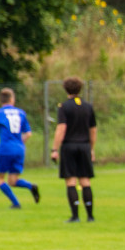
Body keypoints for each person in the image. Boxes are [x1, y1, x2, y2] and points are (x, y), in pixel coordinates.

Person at [50, 77, 97, 222]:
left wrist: (54, 149)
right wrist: (91, 148)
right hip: (84, 146)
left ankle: (75, 216)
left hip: (69, 146)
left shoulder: (64, 107)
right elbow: (93, 130)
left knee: (71, 181)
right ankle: (90, 216)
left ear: (65, 89)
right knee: (85, 181)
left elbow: (61, 128)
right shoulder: (88, 106)